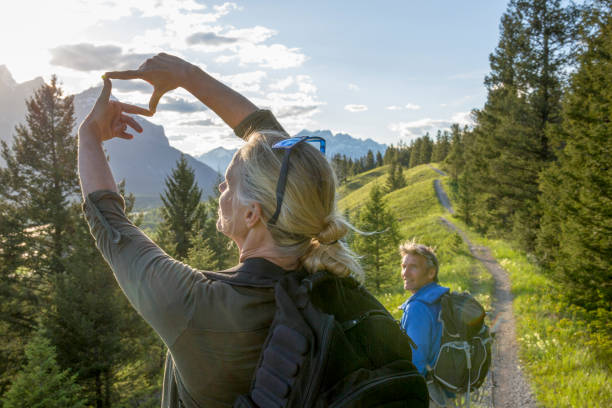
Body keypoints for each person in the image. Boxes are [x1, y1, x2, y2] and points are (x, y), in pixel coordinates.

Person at [77, 53, 363, 407]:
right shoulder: (327, 280)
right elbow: (289, 166)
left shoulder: (199, 307)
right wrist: (186, 75)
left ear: (251, 215)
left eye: (228, 183)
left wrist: (89, 135)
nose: (219, 190)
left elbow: (109, 222)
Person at [398, 240, 453, 407]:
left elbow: (416, 363)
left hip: (428, 395)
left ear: (431, 273)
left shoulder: (418, 308)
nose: (405, 273)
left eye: (413, 267)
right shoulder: (442, 298)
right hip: (447, 391)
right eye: (403, 266)